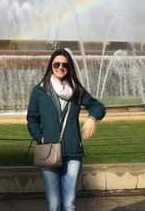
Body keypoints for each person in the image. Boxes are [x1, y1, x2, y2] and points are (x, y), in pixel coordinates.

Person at [27, 48, 106, 211]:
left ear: (69, 67)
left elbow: (98, 106)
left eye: (65, 64)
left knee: (70, 205)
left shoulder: (76, 90)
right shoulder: (40, 91)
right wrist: (41, 138)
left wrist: (92, 118)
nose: (61, 67)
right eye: (57, 64)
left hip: (72, 151)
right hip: (48, 150)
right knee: (54, 205)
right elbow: (32, 119)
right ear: (51, 66)